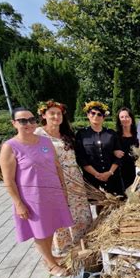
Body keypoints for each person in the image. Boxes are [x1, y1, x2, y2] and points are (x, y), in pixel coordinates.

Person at [0, 108, 72, 277]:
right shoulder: (10, 147)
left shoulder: (45, 142)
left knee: (51, 226)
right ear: (14, 124)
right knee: (39, 230)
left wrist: (62, 188)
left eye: (31, 120)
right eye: (23, 121)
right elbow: (8, 180)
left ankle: (51, 256)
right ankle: (51, 264)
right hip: (32, 198)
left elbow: (57, 166)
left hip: (52, 193)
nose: (28, 124)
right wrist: (18, 203)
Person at [35, 100, 92, 256]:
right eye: (52, 113)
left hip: (74, 178)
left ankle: (83, 243)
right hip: (53, 179)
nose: (56, 116)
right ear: (44, 115)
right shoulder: (38, 134)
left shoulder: (67, 134)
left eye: (59, 113)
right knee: (59, 212)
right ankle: (64, 247)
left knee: (79, 211)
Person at [75, 101, 125, 196]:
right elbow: (81, 158)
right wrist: (96, 174)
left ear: (104, 117)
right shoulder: (81, 134)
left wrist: (109, 172)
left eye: (99, 114)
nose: (96, 116)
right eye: (92, 113)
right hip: (92, 179)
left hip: (113, 178)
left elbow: (119, 156)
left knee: (116, 206)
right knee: (99, 207)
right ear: (88, 115)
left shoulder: (111, 133)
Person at [115, 107, 139, 189]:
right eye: (122, 117)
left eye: (127, 116)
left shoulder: (138, 135)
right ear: (119, 121)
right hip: (120, 172)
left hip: (136, 171)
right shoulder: (115, 136)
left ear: (131, 119)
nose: (124, 119)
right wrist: (114, 152)